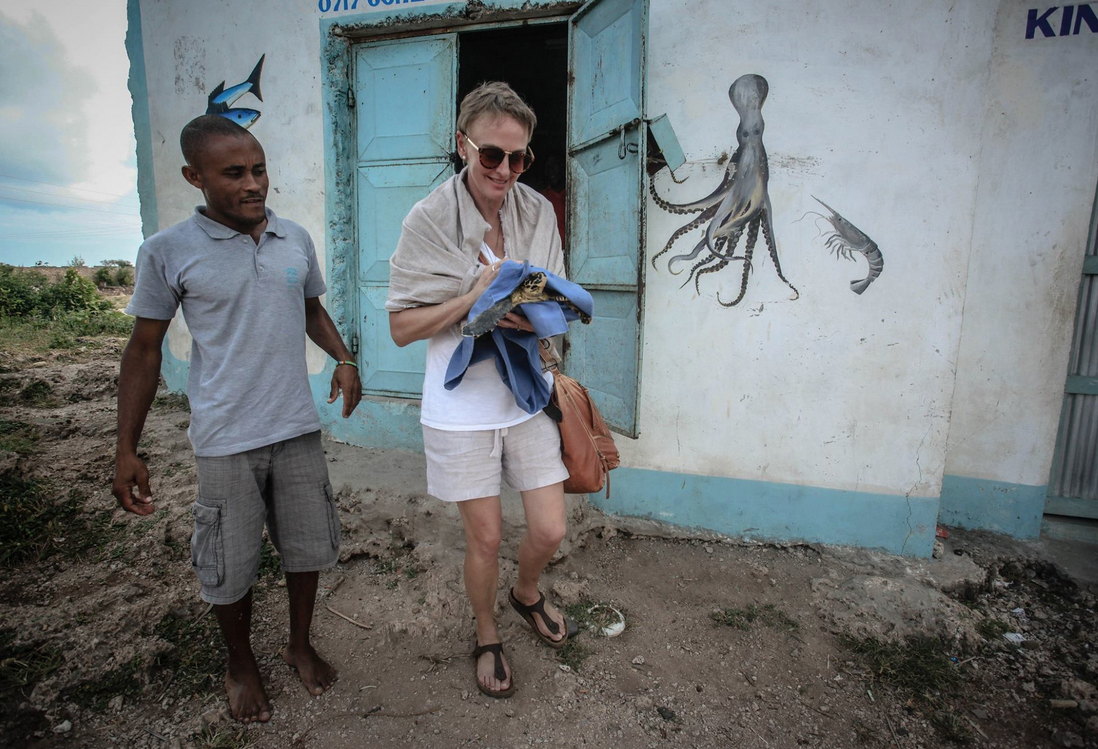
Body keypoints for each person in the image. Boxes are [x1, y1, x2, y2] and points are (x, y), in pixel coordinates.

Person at [112, 114, 362, 723]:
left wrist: (345, 357)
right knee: (227, 563)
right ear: (194, 176)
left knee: (307, 549)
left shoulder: (294, 239)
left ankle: (298, 643)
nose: (254, 184)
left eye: (259, 169)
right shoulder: (168, 252)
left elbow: (310, 308)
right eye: (234, 173)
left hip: (296, 429)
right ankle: (240, 661)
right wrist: (126, 447)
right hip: (225, 439)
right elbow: (143, 349)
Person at [387, 82, 576, 699]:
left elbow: (555, 294)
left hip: (524, 392)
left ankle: (525, 594)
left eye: (518, 158)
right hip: (461, 403)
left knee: (549, 529)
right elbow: (400, 326)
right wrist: (474, 300)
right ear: (462, 144)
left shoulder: (536, 212)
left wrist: (530, 309)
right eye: (491, 155)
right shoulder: (429, 220)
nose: (505, 170)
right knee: (486, 537)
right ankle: (487, 629)